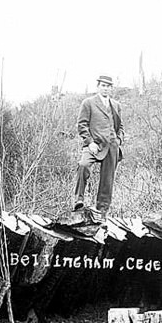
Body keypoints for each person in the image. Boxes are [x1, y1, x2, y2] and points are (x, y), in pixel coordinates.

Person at [73, 75, 124, 219]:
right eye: (103, 85)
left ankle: (102, 211)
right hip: (94, 145)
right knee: (83, 165)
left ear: (111, 88)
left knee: (107, 180)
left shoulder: (116, 105)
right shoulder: (88, 103)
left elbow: (120, 126)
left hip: (112, 146)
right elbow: (82, 125)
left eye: (108, 86)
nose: (105, 88)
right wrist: (90, 142)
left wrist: (119, 140)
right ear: (98, 86)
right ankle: (79, 200)